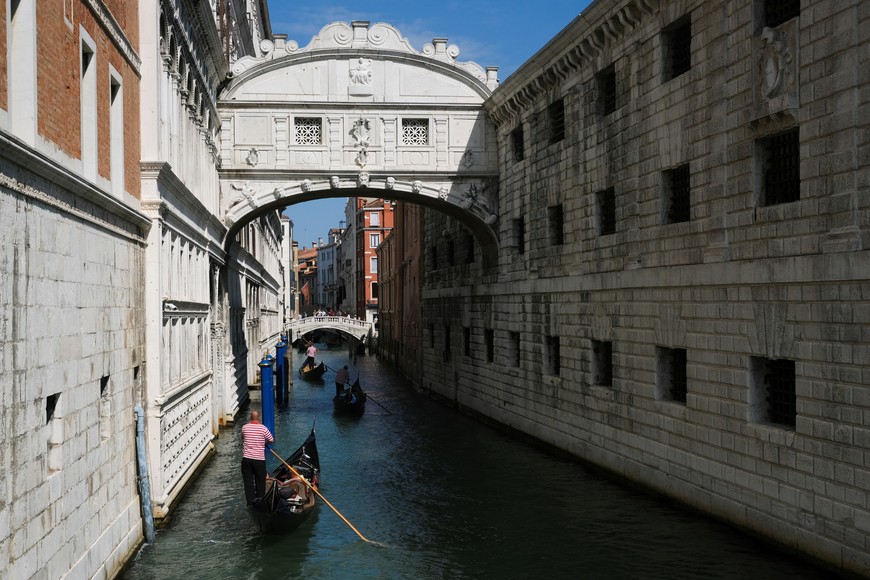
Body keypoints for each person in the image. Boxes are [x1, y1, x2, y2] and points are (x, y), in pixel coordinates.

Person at [241, 410, 274, 506]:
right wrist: (264, 443)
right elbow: (271, 440)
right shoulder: (263, 429)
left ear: (250, 418)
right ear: (258, 418)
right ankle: (260, 502)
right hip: (259, 460)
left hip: (246, 459)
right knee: (260, 481)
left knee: (248, 482)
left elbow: (242, 438)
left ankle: (250, 503)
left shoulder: (244, 427)